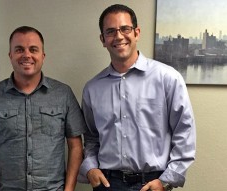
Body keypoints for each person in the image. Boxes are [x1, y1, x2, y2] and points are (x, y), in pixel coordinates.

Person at [78, 4, 196, 191]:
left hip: (152, 183)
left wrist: (166, 181)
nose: (118, 36)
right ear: (103, 39)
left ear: (137, 33)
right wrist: (91, 167)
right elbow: (92, 137)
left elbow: (184, 134)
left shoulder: (167, 78)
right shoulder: (92, 88)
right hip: (108, 183)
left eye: (125, 29)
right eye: (110, 31)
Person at [0, 26, 87, 191]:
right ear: (10, 56)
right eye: (19, 50)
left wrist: (69, 189)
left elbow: (76, 146)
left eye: (33, 49)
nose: (27, 55)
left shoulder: (63, 94)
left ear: (43, 56)